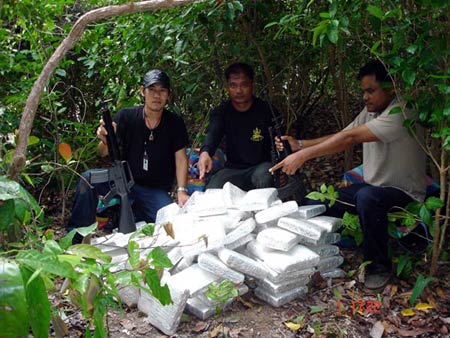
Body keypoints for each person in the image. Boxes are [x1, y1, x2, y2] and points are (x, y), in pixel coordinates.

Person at [270, 59, 426, 290]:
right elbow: (343, 134)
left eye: (370, 91)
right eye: (363, 91)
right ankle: (315, 253)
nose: (365, 97)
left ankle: (378, 267)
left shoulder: (401, 112)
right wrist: (300, 145)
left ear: (390, 87)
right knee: (316, 201)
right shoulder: (371, 112)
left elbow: (349, 139)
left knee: (367, 198)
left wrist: (304, 156)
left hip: (403, 195)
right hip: (372, 190)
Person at [67, 69, 190, 237]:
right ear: (142, 91)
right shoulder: (126, 116)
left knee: (171, 224)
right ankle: (76, 236)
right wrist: (105, 139)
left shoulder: (174, 122)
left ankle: (123, 214)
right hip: (122, 180)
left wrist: (181, 190)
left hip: (154, 189)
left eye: (162, 90)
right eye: (152, 90)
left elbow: (181, 158)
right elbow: (102, 153)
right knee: (87, 179)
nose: (157, 95)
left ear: (168, 94)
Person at [197, 62, 277, 191]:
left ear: (252, 85)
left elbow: (280, 143)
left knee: (264, 178)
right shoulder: (221, 112)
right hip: (233, 169)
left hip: (261, 166)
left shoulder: (267, 110)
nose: (239, 91)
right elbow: (213, 134)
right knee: (213, 189)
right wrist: (205, 152)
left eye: (244, 85)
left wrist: (281, 167)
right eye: (233, 85)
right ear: (227, 87)